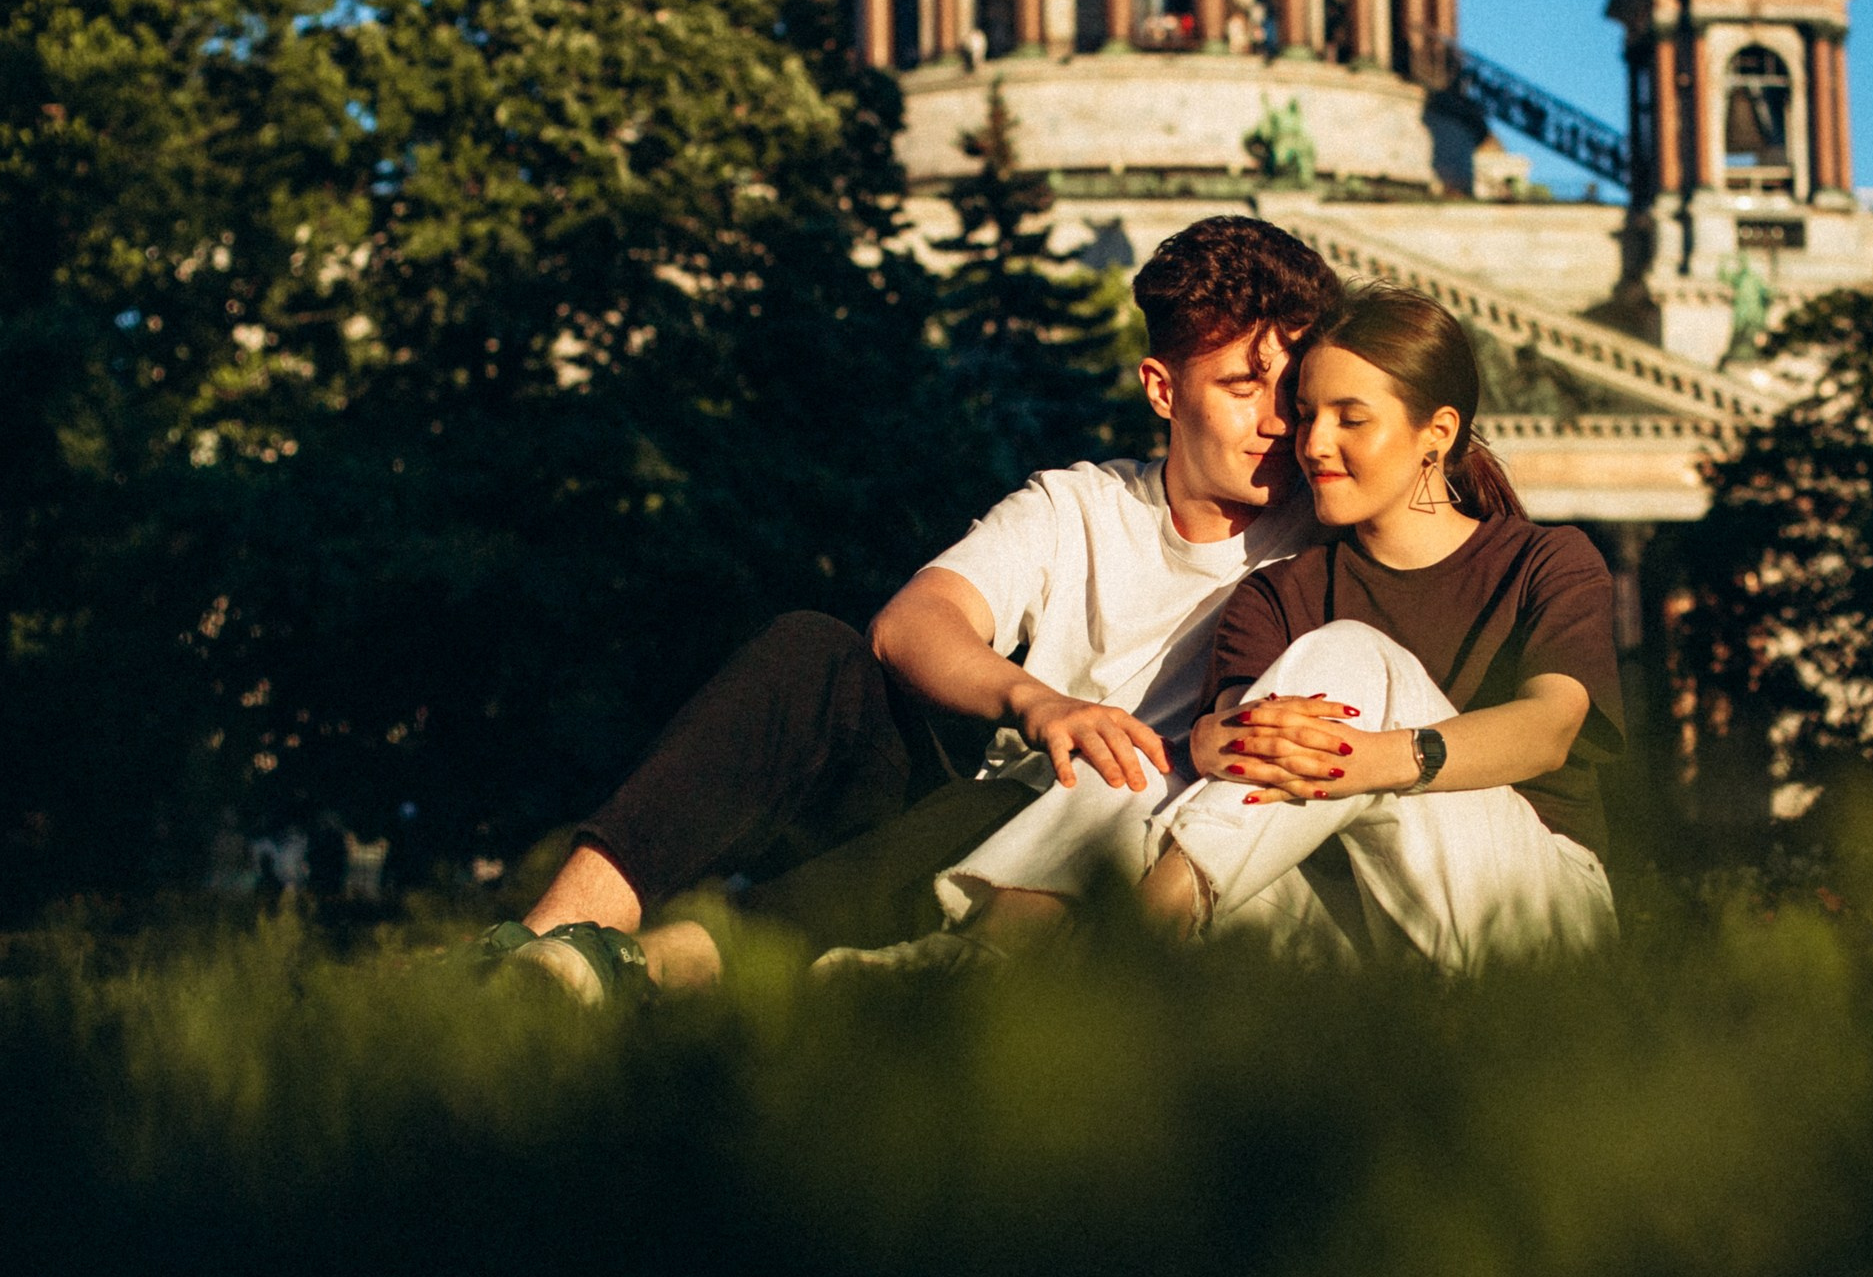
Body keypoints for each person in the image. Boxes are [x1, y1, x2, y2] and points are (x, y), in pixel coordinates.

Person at [487, 215, 1341, 1003]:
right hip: (967, 809)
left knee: (1024, 801)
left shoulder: (1330, 528)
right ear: (1162, 390)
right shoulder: (1080, 505)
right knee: (811, 652)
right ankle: (543, 941)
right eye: (1241, 385)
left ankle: (648, 974)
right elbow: (912, 623)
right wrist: (1037, 701)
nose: (1277, 421)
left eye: (1291, 389)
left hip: (1086, 853)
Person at [856, 287, 1621, 974]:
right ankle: (964, 962)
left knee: (1353, 660)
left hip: (1537, 913)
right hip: (1363, 921)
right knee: (1138, 766)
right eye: (1310, 414)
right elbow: (1217, 745)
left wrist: (1374, 758)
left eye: (1350, 418)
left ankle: (1114, 954)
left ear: (1437, 432)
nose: (1313, 443)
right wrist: (1235, 743)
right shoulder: (1281, 590)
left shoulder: (1544, 560)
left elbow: (1550, 729)